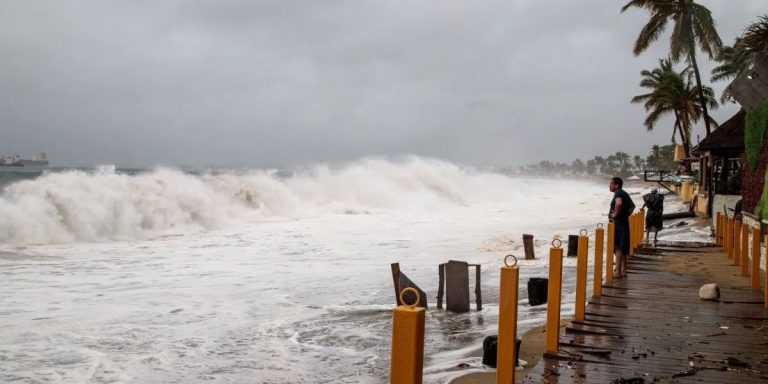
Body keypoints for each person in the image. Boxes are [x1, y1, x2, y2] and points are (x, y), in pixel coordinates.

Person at [608, 177, 635, 278]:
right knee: (623, 247)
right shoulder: (624, 193)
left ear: (617, 185)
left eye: (611, 184)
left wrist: (615, 214)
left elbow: (618, 203)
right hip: (624, 222)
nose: (609, 186)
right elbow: (633, 206)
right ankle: (623, 270)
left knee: (618, 247)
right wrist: (626, 215)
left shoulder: (618, 193)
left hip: (618, 223)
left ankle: (618, 272)